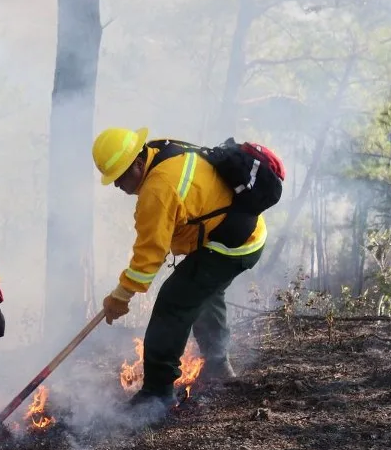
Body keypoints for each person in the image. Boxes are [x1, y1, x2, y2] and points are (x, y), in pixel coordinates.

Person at [92, 127, 267, 416]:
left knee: (174, 301)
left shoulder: (158, 189)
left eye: (121, 176)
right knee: (202, 293)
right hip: (243, 231)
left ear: (138, 163)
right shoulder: (161, 150)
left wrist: (120, 297)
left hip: (233, 244)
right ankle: (218, 365)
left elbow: (148, 259)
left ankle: (156, 394)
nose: (118, 186)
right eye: (114, 180)